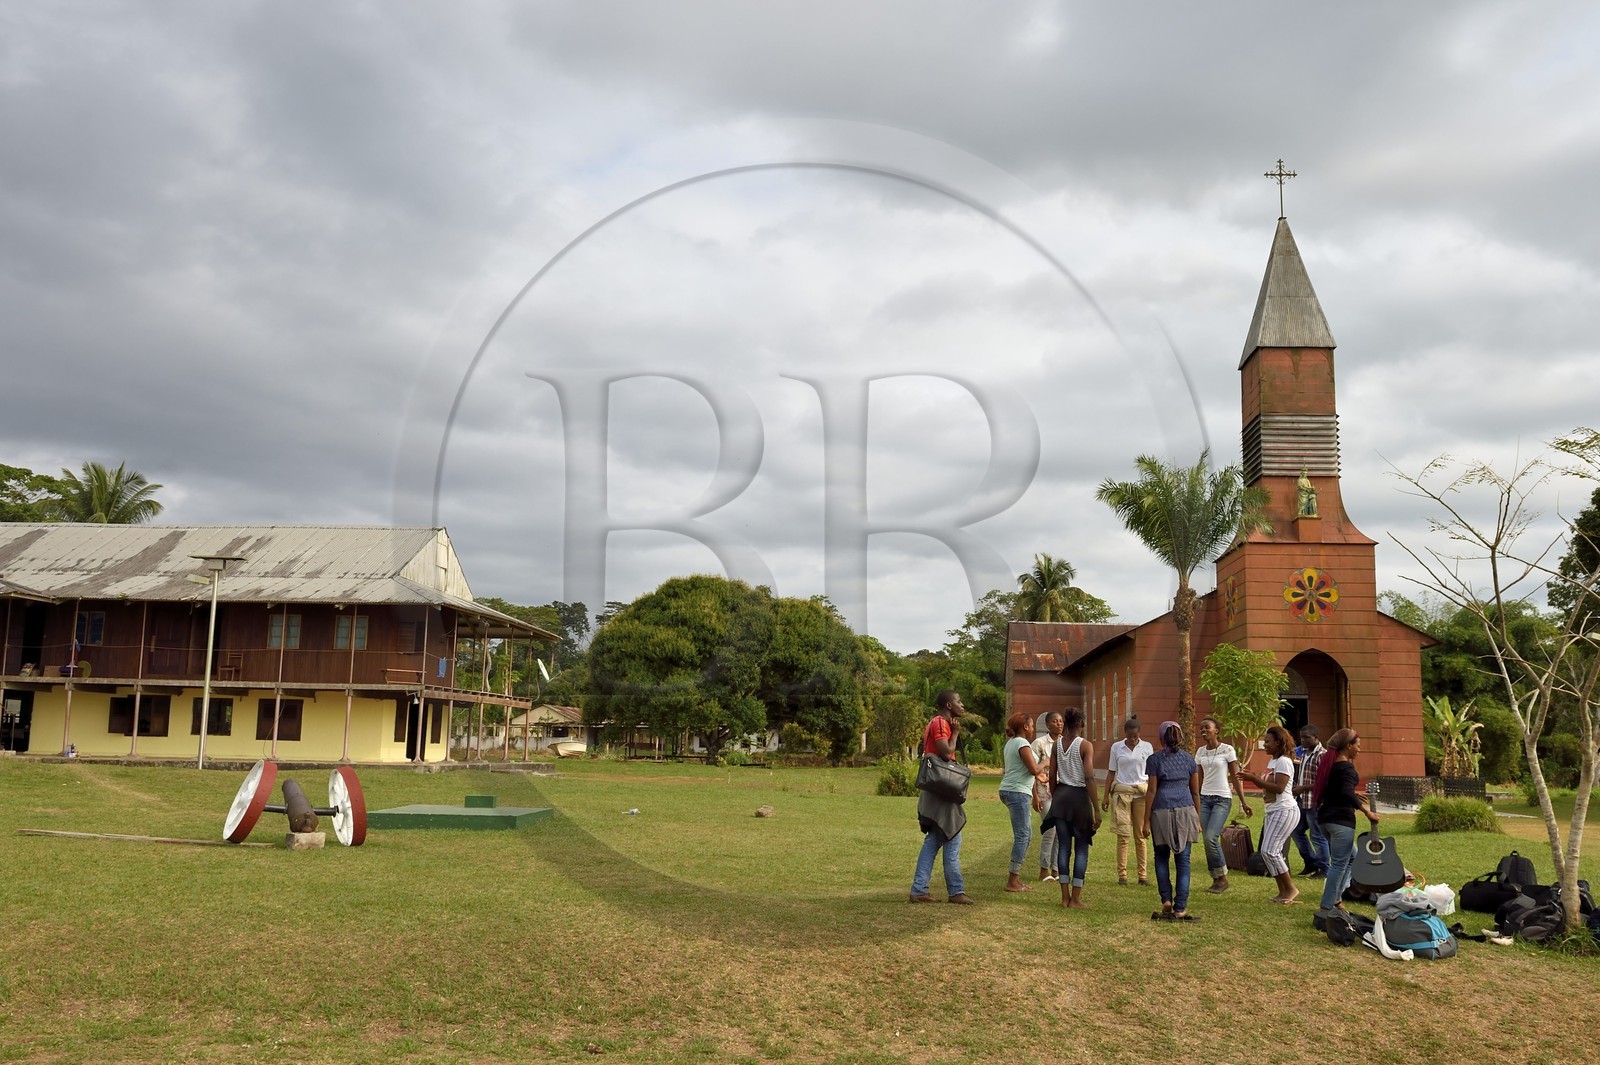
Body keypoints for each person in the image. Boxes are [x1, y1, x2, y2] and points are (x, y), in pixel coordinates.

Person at [910, 690, 974, 904]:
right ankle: (956, 891)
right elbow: (946, 753)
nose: (962, 705)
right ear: (948, 705)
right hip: (940, 791)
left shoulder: (938, 722)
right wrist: (955, 733)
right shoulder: (940, 723)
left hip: (938, 790)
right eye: (958, 701)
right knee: (953, 835)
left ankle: (919, 889)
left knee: (936, 838)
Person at [1313, 728, 1381, 912]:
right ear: (1349, 746)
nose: (1359, 749)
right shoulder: (1346, 767)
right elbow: (1345, 791)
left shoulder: (1329, 765)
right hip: (1340, 822)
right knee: (1338, 864)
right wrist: (1366, 812)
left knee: (1353, 858)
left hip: (1325, 820)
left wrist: (1354, 796)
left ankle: (1336, 899)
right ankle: (1327, 906)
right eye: (1357, 745)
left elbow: (1337, 790)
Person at [1143, 720, 1202, 921]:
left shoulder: (1154, 760)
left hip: (1161, 811)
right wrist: (1198, 820)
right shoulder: (1189, 760)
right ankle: (1180, 907)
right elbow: (1195, 792)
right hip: (1186, 810)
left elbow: (1151, 791)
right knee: (1183, 861)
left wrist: (1146, 821)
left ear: (1161, 739)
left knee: (1161, 857)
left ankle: (1166, 899)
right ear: (1181, 738)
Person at [1043, 707, 1100, 908]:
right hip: (1079, 799)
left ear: (1065, 724)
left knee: (1064, 847)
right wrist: (1097, 809)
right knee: (1081, 848)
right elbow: (1089, 777)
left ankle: (1064, 897)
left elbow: (1052, 775)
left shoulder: (1056, 745)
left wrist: (1055, 794)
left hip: (1061, 797)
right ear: (1081, 724)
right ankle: (1076, 898)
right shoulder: (1085, 745)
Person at [1240, 725, 1300, 904]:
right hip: (1273, 810)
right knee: (1267, 852)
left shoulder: (1284, 761)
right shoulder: (1273, 762)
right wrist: (1255, 776)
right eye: (1264, 741)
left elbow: (1280, 788)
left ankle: (1291, 889)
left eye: (1268, 742)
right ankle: (1282, 891)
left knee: (1271, 851)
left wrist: (1254, 779)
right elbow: (1268, 784)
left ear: (1278, 743)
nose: (1264, 744)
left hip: (1284, 810)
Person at [1194, 716, 1251, 894]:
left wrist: (1243, 802)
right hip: (1205, 799)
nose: (1203, 730)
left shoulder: (1227, 750)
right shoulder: (1200, 752)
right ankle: (1216, 879)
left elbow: (1235, 776)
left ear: (1216, 730)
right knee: (1206, 839)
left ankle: (1223, 878)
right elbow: (1199, 778)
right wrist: (1195, 800)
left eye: (1207, 727)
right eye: (1201, 728)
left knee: (1211, 837)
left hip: (1222, 799)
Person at [999, 712, 1049, 893]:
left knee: (1026, 835)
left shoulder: (1011, 743)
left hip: (1012, 790)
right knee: (1022, 836)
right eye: (1032, 725)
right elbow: (1033, 769)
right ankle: (1012, 881)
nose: (1033, 729)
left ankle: (1015, 878)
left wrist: (1038, 780)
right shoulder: (1022, 743)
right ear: (1025, 727)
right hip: (1017, 792)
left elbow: (1027, 771)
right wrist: (1045, 763)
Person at [1101, 717, 1153, 886]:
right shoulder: (1117, 747)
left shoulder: (1147, 747)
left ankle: (1142, 876)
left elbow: (1151, 774)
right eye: (1129, 736)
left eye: (1135, 736)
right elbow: (1111, 772)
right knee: (1123, 836)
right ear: (1124, 734)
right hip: (1123, 794)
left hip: (1141, 795)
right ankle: (1122, 875)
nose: (1132, 739)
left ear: (1139, 733)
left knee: (1140, 836)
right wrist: (1106, 796)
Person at [1289, 724, 1329, 877]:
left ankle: (1324, 869)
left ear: (1316, 738)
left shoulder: (1322, 755)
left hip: (1314, 801)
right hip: (1301, 800)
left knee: (1317, 836)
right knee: (1295, 830)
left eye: (1307, 738)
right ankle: (1311, 862)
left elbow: (1325, 782)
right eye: (1301, 738)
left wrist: (1303, 788)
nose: (1303, 740)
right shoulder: (1303, 753)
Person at [1032, 712, 1063, 882]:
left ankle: (1056, 870)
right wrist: (1035, 796)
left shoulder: (1065, 743)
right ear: (1047, 724)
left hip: (1061, 793)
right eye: (1055, 721)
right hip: (1044, 793)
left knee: (1060, 831)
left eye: (1061, 721)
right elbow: (1031, 770)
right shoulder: (1039, 743)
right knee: (1050, 829)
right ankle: (1044, 869)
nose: (1059, 724)